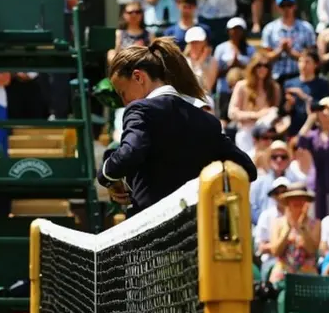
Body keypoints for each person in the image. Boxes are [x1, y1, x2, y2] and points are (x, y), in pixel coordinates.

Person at [98, 37, 257, 215]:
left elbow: (131, 153)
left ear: (138, 77)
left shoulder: (140, 110)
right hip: (195, 231)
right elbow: (247, 169)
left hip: (152, 229)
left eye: (123, 92)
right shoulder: (207, 120)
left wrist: (106, 175)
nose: (124, 101)